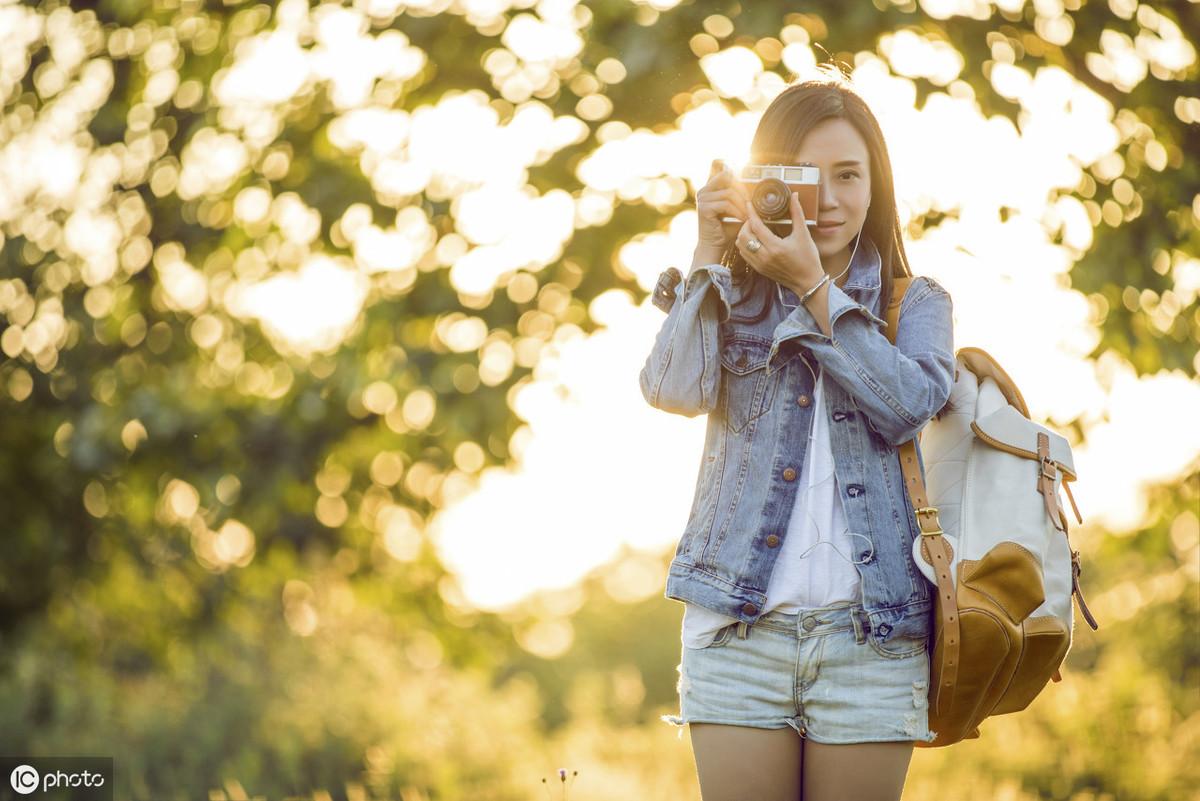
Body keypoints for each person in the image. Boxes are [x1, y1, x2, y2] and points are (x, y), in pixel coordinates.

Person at [638, 68, 956, 801]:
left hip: (872, 639)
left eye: (848, 174)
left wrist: (817, 291)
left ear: (877, 184)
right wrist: (706, 253)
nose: (830, 198)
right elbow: (670, 388)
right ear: (769, 178)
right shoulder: (735, 294)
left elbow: (907, 405)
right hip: (738, 632)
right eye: (806, 175)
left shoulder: (919, 303)